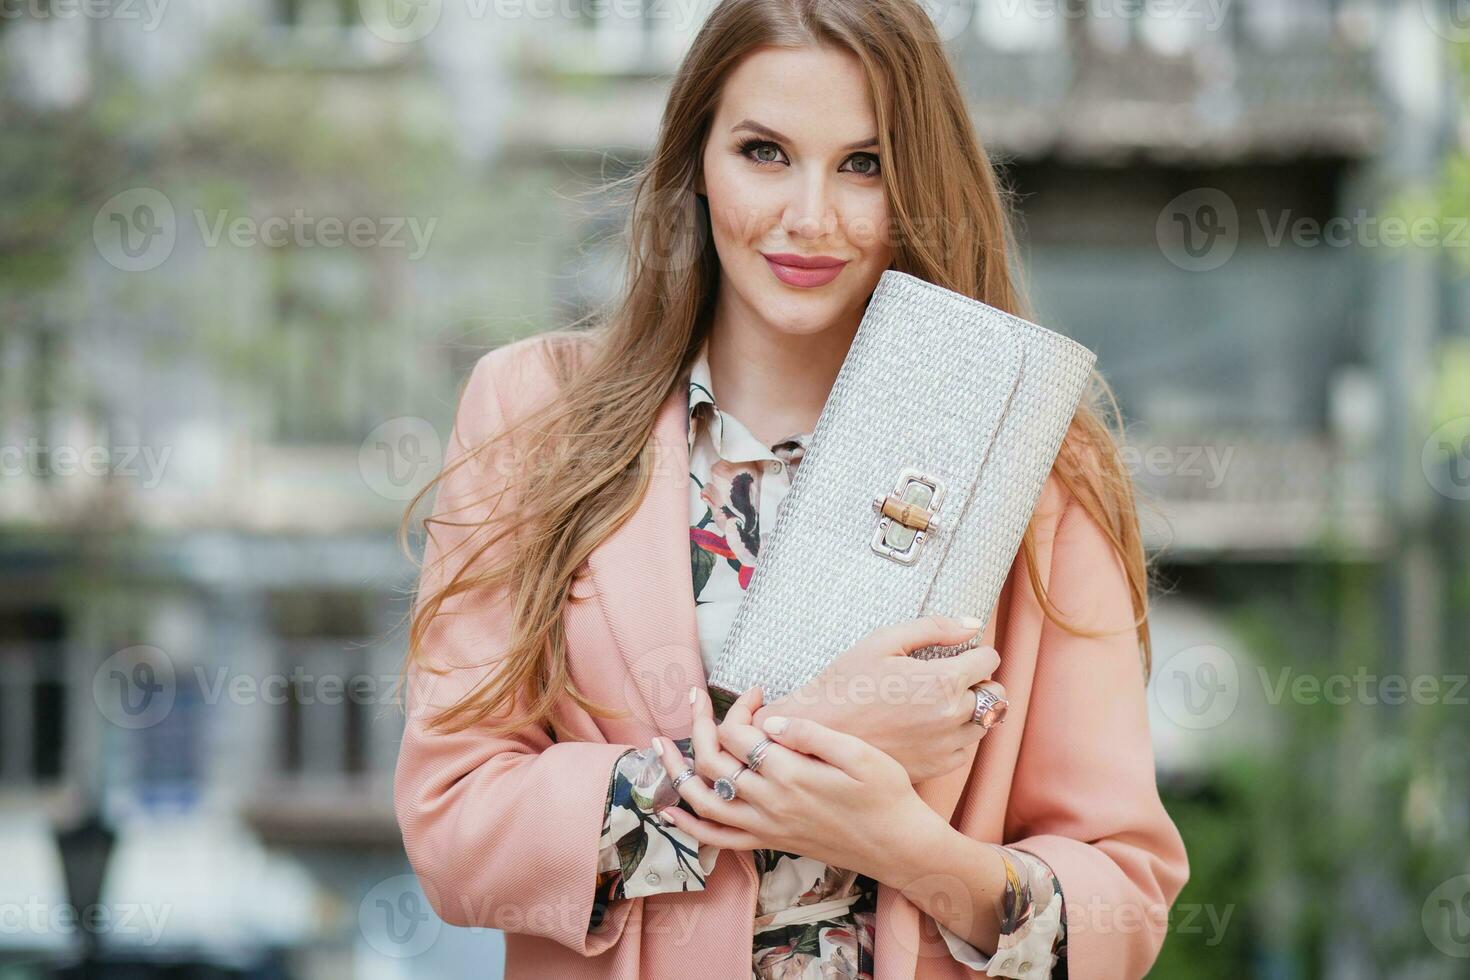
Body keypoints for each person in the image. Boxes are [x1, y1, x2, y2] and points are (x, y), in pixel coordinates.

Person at [392, 1, 1189, 977]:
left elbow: (1125, 901)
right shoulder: (534, 414)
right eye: (764, 151)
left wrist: (909, 846)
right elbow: (455, 828)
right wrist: (818, 732)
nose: (810, 215)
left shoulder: (1039, 465)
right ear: (696, 161)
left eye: (865, 163)